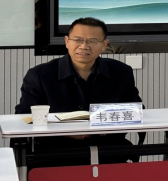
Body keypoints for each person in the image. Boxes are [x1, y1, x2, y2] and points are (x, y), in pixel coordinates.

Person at [15, 17, 143, 164]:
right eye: (77, 40)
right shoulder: (40, 75)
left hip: (108, 151)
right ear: (67, 41)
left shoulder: (121, 72)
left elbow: (136, 111)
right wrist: (65, 131)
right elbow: (24, 116)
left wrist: (99, 128)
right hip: (54, 154)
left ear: (104, 45)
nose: (83, 46)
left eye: (92, 41)